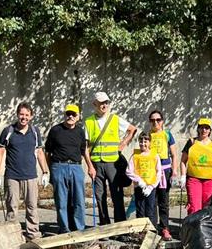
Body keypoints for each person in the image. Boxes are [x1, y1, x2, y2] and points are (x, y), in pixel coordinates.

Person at [0, 102, 49, 240]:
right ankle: (12, 236)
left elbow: (40, 152)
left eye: (26, 115)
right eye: (21, 114)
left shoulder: (35, 132)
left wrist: (45, 172)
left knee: (32, 206)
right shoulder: (8, 131)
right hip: (12, 175)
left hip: (30, 175)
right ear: (17, 114)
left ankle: (33, 234)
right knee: (12, 206)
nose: (23, 117)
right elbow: (0, 152)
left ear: (31, 116)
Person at [83, 92, 137, 225]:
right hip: (96, 164)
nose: (104, 105)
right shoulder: (89, 121)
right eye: (101, 103)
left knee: (117, 195)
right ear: (95, 104)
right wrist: (89, 166)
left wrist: (123, 144)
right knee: (99, 196)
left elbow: (132, 129)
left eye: (106, 102)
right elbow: (84, 147)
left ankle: (120, 225)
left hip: (113, 164)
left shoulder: (115, 119)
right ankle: (104, 225)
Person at [45, 104, 87, 233]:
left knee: (79, 200)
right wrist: (50, 169)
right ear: (65, 115)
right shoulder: (55, 130)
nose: (70, 116)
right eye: (68, 114)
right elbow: (47, 152)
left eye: (74, 114)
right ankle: (64, 229)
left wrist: (90, 167)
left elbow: (84, 151)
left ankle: (79, 228)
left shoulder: (80, 131)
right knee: (61, 201)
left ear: (78, 116)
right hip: (59, 166)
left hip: (76, 167)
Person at [179, 118, 212, 215]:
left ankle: (205, 229)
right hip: (194, 180)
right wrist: (183, 176)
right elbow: (183, 161)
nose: (204, 130)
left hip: (210, 180)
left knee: (207, 207)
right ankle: (193, 229)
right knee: (194, 207)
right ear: (198, 129)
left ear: (210, 130)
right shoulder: (191, 142)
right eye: (202, 127)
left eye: (207, 128)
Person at [148, 109, 178, 240]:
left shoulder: (167, 134)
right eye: (152, 120)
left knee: (163, 201)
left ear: (162, 121)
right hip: (150, 171)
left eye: (158, 120)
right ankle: (153, 228)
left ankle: (165, 228)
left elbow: (174, 154)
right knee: (151, 201)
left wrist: (175, 171)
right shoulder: (147, 135)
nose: (155, 122)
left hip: (165, 171)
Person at [127, 131, 163, 229]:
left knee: (150, 210)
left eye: (146, 141)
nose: (143, 144)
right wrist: (139, 181)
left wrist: (151, 186)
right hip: (139, 187)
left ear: (150, 142)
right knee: (140, 210)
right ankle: (141, 232)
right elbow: (129, 171)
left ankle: (151, 231)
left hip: (150, 188)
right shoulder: (135, 155)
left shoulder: (155, 155)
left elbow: (158, 172)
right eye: (141, 141)